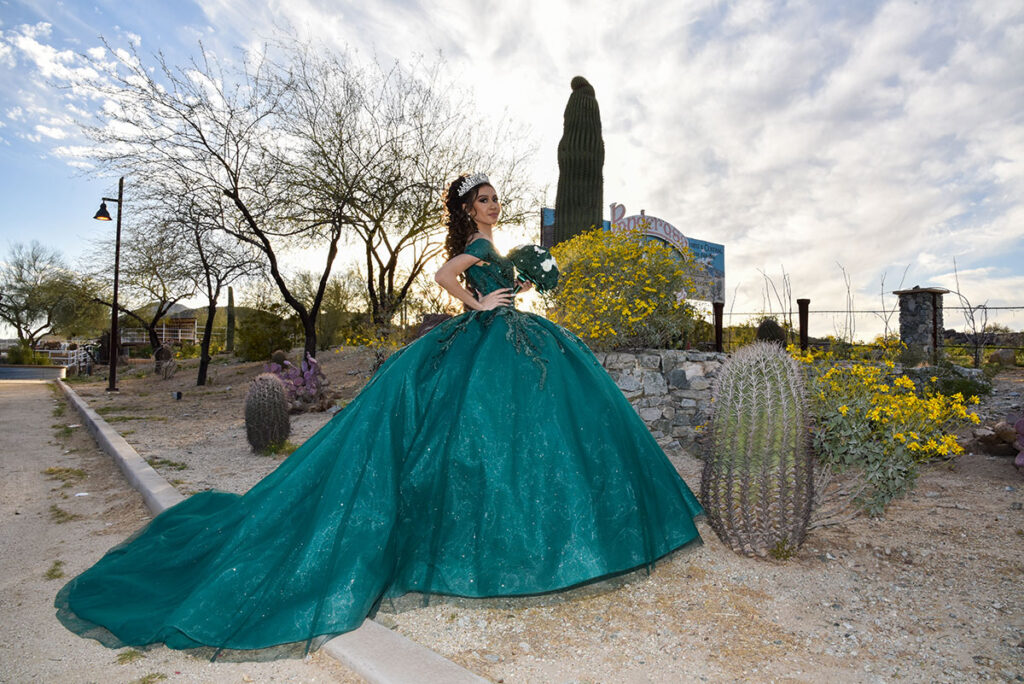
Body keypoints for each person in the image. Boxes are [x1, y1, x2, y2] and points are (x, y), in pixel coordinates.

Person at [56, 173, 703, 659]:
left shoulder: (492, 241)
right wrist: (480, 306)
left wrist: (517, 286)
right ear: (466, 209)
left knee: (528, 433)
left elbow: (483, 277)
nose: (493, 206)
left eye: (495, 199)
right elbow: (447, 275)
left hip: (511, 334)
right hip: (485, 340)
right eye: (483, 200)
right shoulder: (473, 242)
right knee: (475, 436)